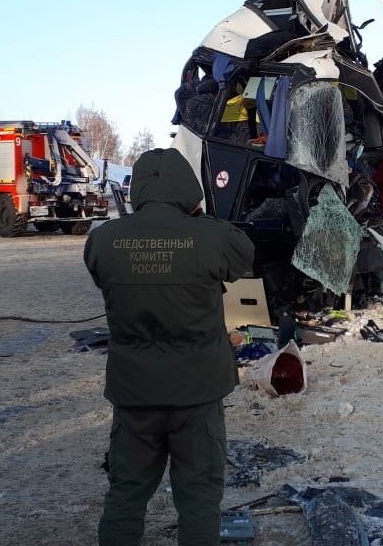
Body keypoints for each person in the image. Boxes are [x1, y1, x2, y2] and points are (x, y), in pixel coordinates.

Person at [84, 148, 254, 546]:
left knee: (126, 492)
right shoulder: (213, 237)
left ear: (136, 188)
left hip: (135, 391)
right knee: (198, 498)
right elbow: (243, 254)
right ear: (189, 189)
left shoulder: (103, 240)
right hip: (197, 392)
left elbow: (100, 271)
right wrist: (198, 220)